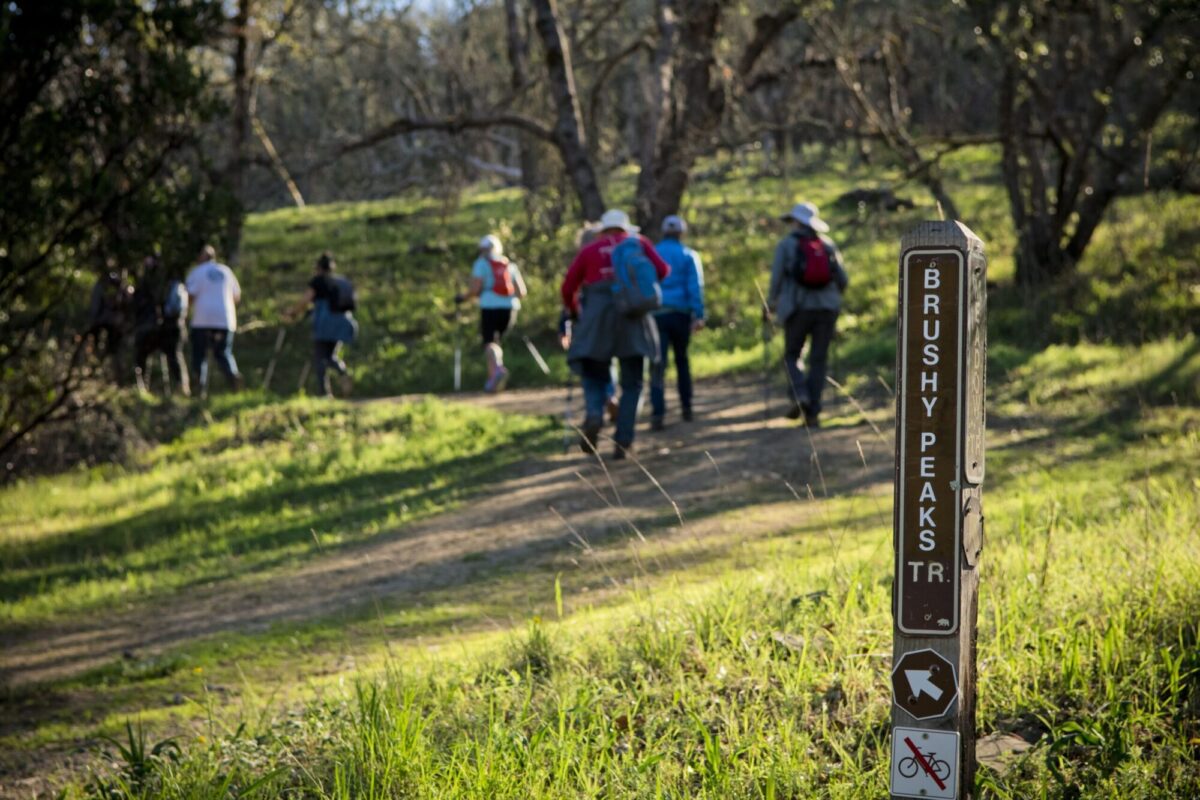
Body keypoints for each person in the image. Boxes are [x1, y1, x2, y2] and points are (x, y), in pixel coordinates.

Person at [561, 208, 670, 459]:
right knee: (633, 381)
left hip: (597, 319)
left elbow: (568, 286)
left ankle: (595, 414)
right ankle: (624, 439)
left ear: (603, 229)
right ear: (625, 228)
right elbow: (663, 271)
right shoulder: (638, 244)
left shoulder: (590, 250)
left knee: (594, 373)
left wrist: (576, 311)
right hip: (633, 317)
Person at [767, 202, 849, 428]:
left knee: (792, 355)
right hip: (827, 308)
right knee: (819, 359)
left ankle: (800, 394)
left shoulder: (786, 246)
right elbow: (843, 279)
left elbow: (777, 279)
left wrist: (770, 304)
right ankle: (813, 411)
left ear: (796, 222)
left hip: (797, 308)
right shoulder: (828, 245)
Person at [650, 214, 706, 430]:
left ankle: (658, 413)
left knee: (658, 364)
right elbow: (696, 287)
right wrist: (698, 314)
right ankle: (686, 407)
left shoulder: (653, 253)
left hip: (657, 314)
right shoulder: (689, 255)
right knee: (682, 361)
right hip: (681, 315)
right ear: (681, 233)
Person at [463, 234, 527, 392]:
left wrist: (462, 297)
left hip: (489, 307)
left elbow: (475, 289)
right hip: (510, 308)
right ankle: (493, 382)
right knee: (496, 342)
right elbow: (522, 291)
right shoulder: (508, 264)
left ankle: (497, 370)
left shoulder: (481, 264)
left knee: (489, 342)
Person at [288, 251, 358, 397]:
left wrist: (292, 313)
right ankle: (343, 372)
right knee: (331, 356)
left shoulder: (318, 281)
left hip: (325, 324)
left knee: (320, 357)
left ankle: (324, 393)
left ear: (319, 267)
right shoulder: (340, 281)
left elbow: (306, 300)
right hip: (342, 323)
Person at [185, 244, 243, 396]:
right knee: (223, 352)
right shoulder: (226, 271)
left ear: (201, 257)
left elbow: (189, 296)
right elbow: (237, 296)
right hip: (225, 320)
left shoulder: (197, 272)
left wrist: (186, 314)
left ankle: (199, 391)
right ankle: (234, 381)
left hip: (201, 320)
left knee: (199, 355)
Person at [132, 254, 190, 396]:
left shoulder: (173, 286)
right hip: (160, 326)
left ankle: (181, 388)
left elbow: (175, 309)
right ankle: (143, 387)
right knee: (149, 354)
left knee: (173, 356)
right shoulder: (159, 284)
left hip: (170, 326)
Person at [86, 261, 134, 384]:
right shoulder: (118, 285)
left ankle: (101, 376)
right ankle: (100, 376)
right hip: (111, 324)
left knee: (110, 351)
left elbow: (95, 305)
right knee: (110, 352)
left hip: (107, 324)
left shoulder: (105, 284)